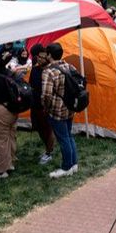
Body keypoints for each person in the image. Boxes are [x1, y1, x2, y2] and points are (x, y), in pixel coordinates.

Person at [41, 42, 80, 178]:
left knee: (63, 138)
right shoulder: (69, 66)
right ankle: (74, 164)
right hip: (70, 107)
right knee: (68, 135)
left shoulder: (49, 71)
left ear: (49, 55)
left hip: (56, 110)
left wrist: (46, 107)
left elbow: (46, 94)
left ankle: (66, 167)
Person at [28, 45, 56, 164]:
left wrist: (47, 105)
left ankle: (49, 152)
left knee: (47, 129)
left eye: (40, 56)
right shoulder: (35, 69)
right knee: (40, 128)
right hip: (35, 104)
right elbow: (31, 84)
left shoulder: (50, 69)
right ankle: (47, 150)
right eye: (36, 57)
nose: (38, 58)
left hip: (45, 105)